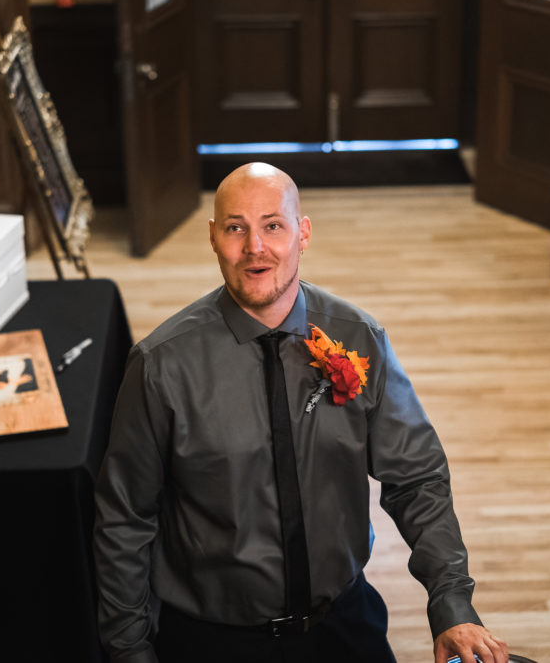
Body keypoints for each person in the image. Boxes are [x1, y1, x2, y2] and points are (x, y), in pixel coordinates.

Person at [94, 162, 508, 663]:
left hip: (344, 626)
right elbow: (124, 519)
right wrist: (128, 650)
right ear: (213, 237)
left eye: (273, 225)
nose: (255, 248)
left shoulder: (359, 337)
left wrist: (452, 602)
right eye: (235, 228)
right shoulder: (160, 366)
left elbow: (416, 477)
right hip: (213, 641)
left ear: (302, 233)